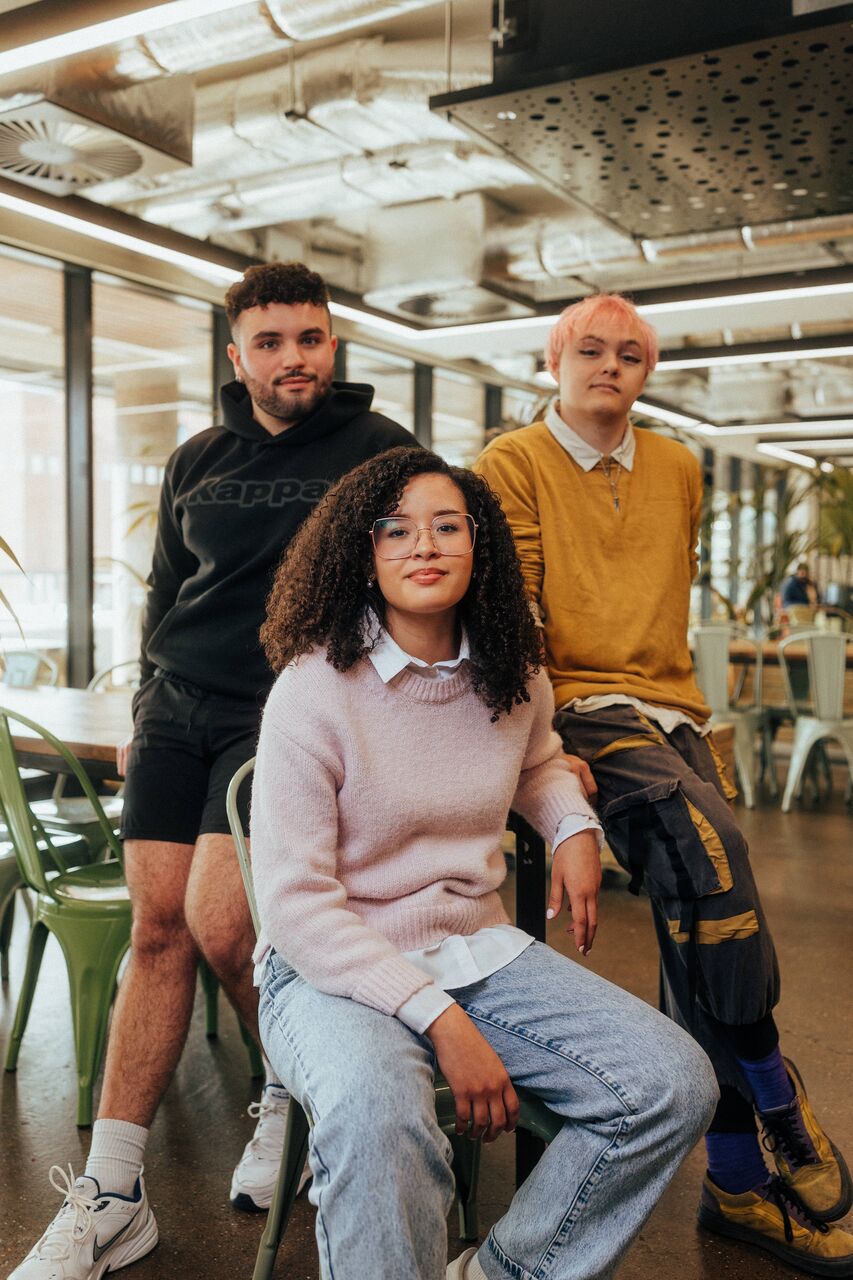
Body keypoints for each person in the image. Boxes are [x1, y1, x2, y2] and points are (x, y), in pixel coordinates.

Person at [11, 262, 419, 1280]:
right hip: (177, 712)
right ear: (237, 356)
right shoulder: (197, 456)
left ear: (334, 346)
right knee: (159, 929)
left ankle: (289, 1097)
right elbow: (166, 592)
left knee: (224, 924)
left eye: (311, 338)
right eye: (271, 341)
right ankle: (113, 1194)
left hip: (283, 715)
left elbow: (423, 586)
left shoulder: (385, 456)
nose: (293, 358)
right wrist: (151, 699)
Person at [250, 445, 718, 1280]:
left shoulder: (511, 672)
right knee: (377, 1113)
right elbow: (294, 907)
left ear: (480, 544)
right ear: (363, 554)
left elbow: (536, 760)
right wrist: (439, 1017)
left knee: (672, 1083)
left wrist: (572, 825)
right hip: (330, 962)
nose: (422, 546)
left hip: (472, 945)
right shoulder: (313, 689)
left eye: (444, 527)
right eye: (394, 531)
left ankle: (500, 1271)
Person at [474, 293, 853, 1278]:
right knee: (714, 857)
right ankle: (774, 1095)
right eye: (589, 349)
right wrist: (546, 748)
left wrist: (685, 718)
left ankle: (732, 1178)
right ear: (553, 359)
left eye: (629, 353)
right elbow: (513, 617)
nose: (609, 365)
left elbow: (663, 600)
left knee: (698, 910)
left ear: (646, 370)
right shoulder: (509, 464)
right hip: (583, 706)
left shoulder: (679, 465)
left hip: (675, 708)